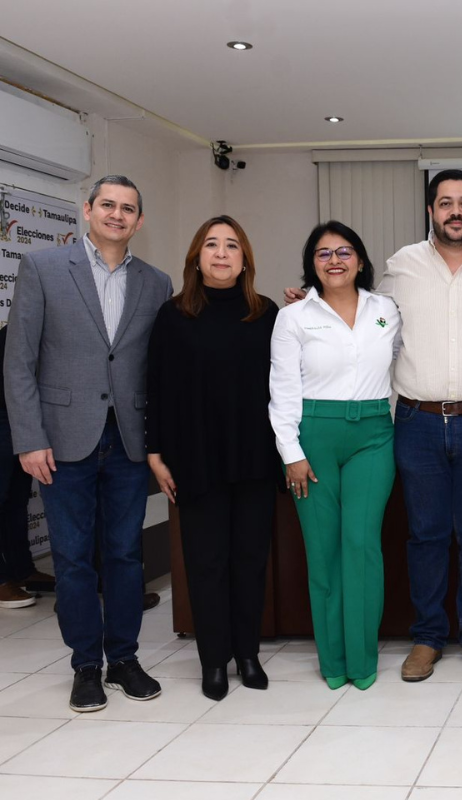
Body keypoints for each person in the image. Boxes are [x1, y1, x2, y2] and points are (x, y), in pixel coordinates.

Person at [4, 175, 172, 712]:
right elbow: (19, 361)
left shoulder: (156, 282)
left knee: (124, 555)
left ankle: (124, 658)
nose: (117, 215)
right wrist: (28, 438)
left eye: (128, 208)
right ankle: (85, 665)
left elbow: (156, 368)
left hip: (127, 440)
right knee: (74, 559)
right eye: (108, 205)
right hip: (60, 441)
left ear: (139, 220)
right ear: (87, 210)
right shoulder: (44, 268)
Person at [380, 170, 462, 682]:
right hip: (415, 421)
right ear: (431, 211)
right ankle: (428, 636)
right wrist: (315, 306)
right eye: (445, 203)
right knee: (426, 535)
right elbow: (367, 318)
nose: (455, 212)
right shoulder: (401, 266)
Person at [146, 216, 279, 701]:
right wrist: (155, 453)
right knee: (206, 563)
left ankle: (247, 653)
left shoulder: (265, 313)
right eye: (211, 245)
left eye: (231, 246)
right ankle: (213, 660)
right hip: (194, 459)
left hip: (255, 458)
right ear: (196, 257)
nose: (221, 254)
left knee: (249, 560)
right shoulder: (173, 314)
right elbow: (155, 388)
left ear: (245, 259)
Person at [269, 221, 399, 691]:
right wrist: (292, 453)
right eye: (323, 254)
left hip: (373, 436)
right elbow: (282, 391)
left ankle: (363, 660)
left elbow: (403, 362)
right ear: (313, 266)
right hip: (313, 438)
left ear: (360, 260)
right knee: (323, 553)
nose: (335, 260)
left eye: (344, 252)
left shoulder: (386, 309)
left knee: (362, 545)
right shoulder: (295, 317)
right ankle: (334, 660)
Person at [0, 324, 49, 609]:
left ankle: (22, 570)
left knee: (17, 502)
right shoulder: (17, 328)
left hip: (24, 421)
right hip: (5, 417)